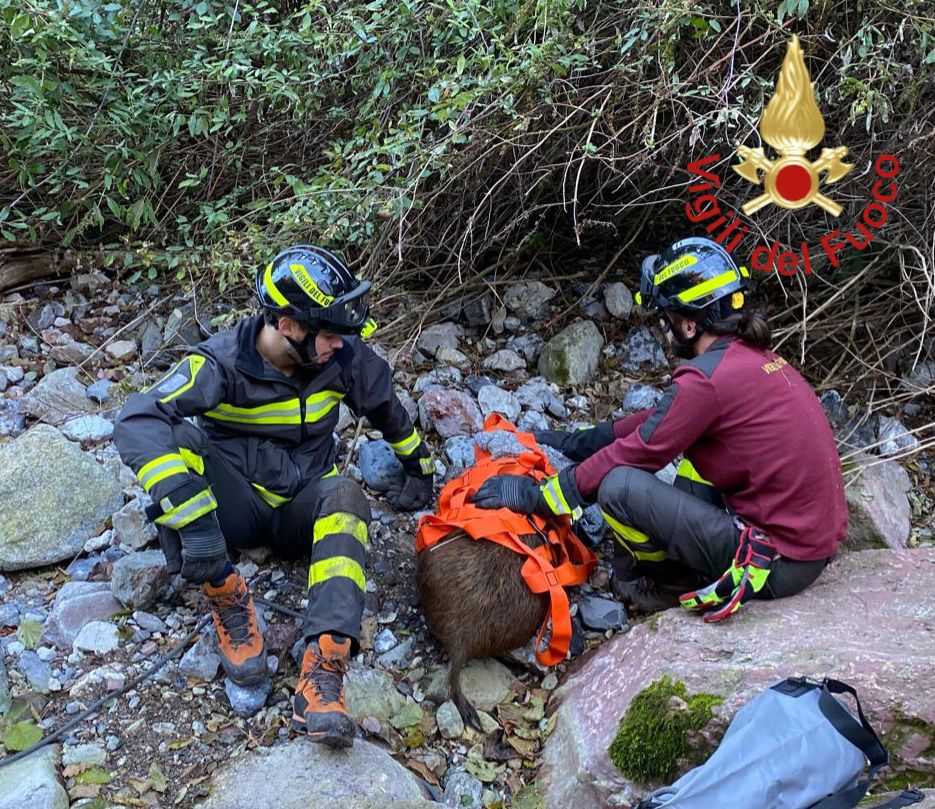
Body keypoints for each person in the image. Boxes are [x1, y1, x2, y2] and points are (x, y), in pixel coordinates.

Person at [113, 244, 435, 747]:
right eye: (329, 334)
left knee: (347, 494)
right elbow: (138, 418)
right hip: (234, 509)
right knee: (177, 442)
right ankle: (226, 597)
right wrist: (195, 520)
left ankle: (323, 667)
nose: (340, 344)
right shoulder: (220, 362)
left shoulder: (344, 358)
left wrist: (421, 467)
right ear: (287, 326)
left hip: (302, 510)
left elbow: (387, 409)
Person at [470, 236, 847, 622]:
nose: (661, 329)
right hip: (804, 548)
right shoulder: (750, 358)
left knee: (616, 486)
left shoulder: (706, 381)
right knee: (693, 460)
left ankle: (668, 583)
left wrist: (540, 497)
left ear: (688, 324)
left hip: (775, 563)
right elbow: (660, 423)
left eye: (664, 319)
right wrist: (573, 443)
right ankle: (687, 563)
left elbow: (638, 451)